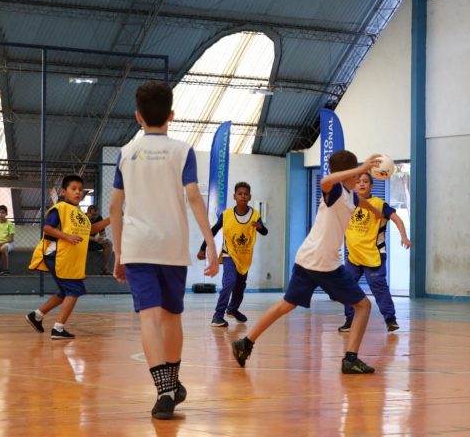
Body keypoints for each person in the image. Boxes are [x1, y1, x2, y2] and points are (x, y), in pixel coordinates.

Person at [109, 81, 219, 420]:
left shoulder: (125, 153)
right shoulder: (182, 150)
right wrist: (211, 244)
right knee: (172, 317)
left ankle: (165, 390)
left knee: (149, 319)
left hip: (138, 248)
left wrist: (118, 253)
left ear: (138, 116)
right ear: (171, 115)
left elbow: (115, 207)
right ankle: (171, 383)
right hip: (172, 246)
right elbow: (195, 197)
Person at [231, 150, 383, 375]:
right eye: (357, 175)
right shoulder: (335, 190)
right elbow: (325, 181)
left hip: (307, 259)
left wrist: (375, 211)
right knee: (363, 306)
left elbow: (358, 201)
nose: (360, 179)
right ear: (347, 174)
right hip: (324, 263)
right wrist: (361, 169)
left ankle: (246, 342)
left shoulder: (349, 195)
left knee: (286, 305)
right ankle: (350, 359)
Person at [24, 175, 110, 340]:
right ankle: (58, 328)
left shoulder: (81, 215)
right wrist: (66, 237)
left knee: (64, 292)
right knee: (75, 289)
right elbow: (47, 228)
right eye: (73, 189)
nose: (78, 192)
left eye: (80, 189)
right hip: (56, 255)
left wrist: (110, 219)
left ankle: (37, 316)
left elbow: (90, 230)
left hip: (67, 258)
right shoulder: (60, 208)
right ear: (64, 192)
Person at [338, 172, 411, 333]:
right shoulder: (348, 204)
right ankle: (350, 320)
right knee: (346, 287)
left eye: (365, 181)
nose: (361, 184)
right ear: (354, 186)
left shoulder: (379, 204)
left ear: (371, 185)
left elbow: (396, 219)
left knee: (379, 287)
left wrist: (404, 237)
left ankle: (390, 320)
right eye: (358, 182)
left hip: (374, 255)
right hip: (353, 257)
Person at [198, 181, 268, 327]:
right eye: (240, 194)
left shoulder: (255, 215)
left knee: (240, 286)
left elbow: (264, 232)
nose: (243, 196)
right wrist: (203, 248)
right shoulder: (227, 215)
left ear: (250, 197)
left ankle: (233, 309)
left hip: (245, 256)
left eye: (246, 194)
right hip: (229, 253)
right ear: (234, 196)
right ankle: (217, 316)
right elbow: (214, 230)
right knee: (230, 281)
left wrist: (260, 227)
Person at [86, 204, 113, 275]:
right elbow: (80, 235)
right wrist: (93, 238)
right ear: (88, 213)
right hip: (82, 242)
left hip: (92, 242)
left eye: (96, 215)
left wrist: (102, 238)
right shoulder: (82, 218)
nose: (95, 217)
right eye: (93, 215)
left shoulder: (99, 218)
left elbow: (103, 234)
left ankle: (104, 269)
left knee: (108, 244)